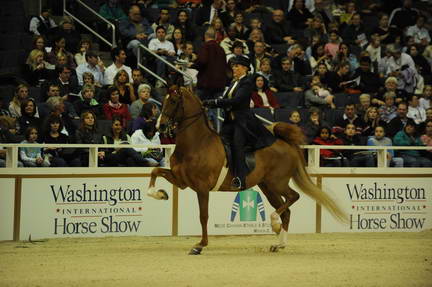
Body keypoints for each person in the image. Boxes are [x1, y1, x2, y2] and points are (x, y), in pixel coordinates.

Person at [203, 55, 276, 190]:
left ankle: (240, 179)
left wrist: (216, 102)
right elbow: (225, 99)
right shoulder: (234, 82)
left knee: (237, 146)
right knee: (218, 143)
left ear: (245, 68)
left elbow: (237, 101)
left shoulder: (247, 82)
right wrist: (211, 104)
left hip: (242, 122)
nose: (234, 68)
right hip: (230, 122)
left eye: (236, 66)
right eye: (233, 66)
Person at [191, 28, 228, 125]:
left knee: (196, 107)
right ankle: (218, 133)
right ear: (215, 37)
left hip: (205, 84)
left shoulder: (205, 47)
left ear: (205, 36)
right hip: (219, 85)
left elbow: (202, 61)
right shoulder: (221, 49)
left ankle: (197, 130)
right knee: (217, 111)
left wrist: (193, 64)